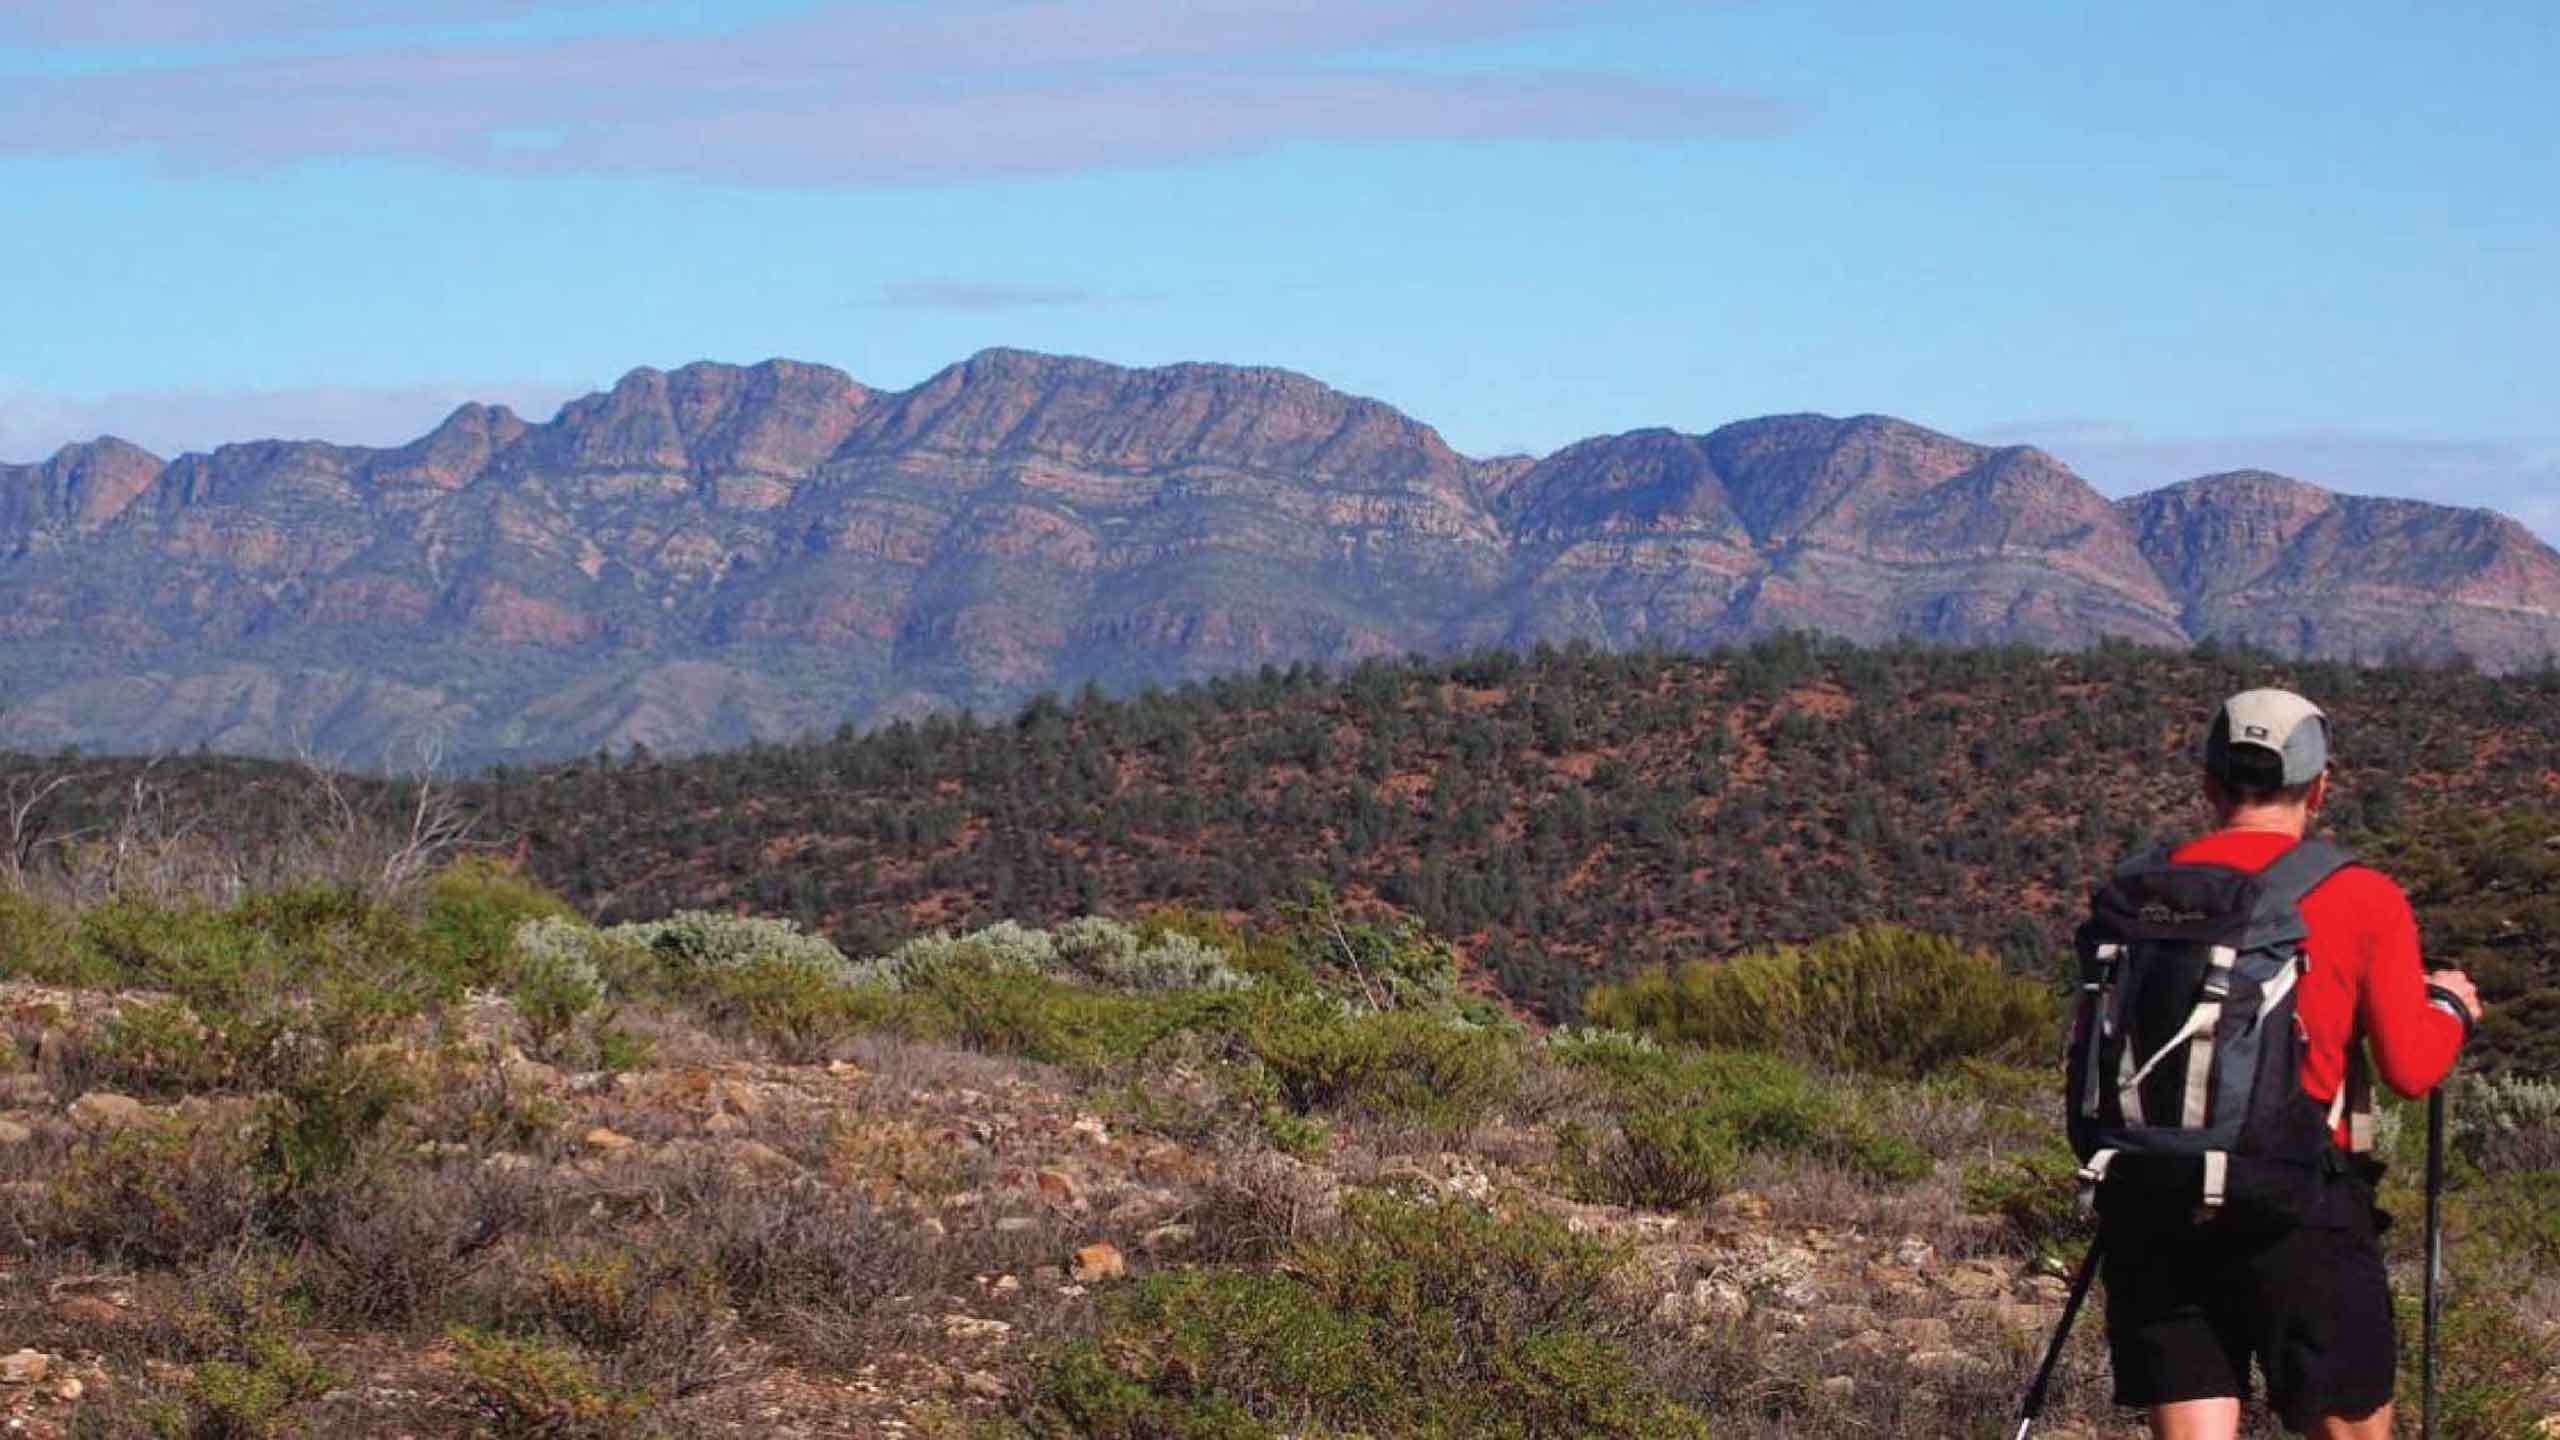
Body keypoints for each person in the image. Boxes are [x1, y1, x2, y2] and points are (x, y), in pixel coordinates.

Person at [2100, 687, 2482, 1439]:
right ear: (2321, 787)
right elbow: (2410, 1069)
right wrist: (2452, 1009)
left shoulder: (2134, 894)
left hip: (2155, 1192)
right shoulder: (2360, 896)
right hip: (2300, 1204)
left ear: (2208, 782)